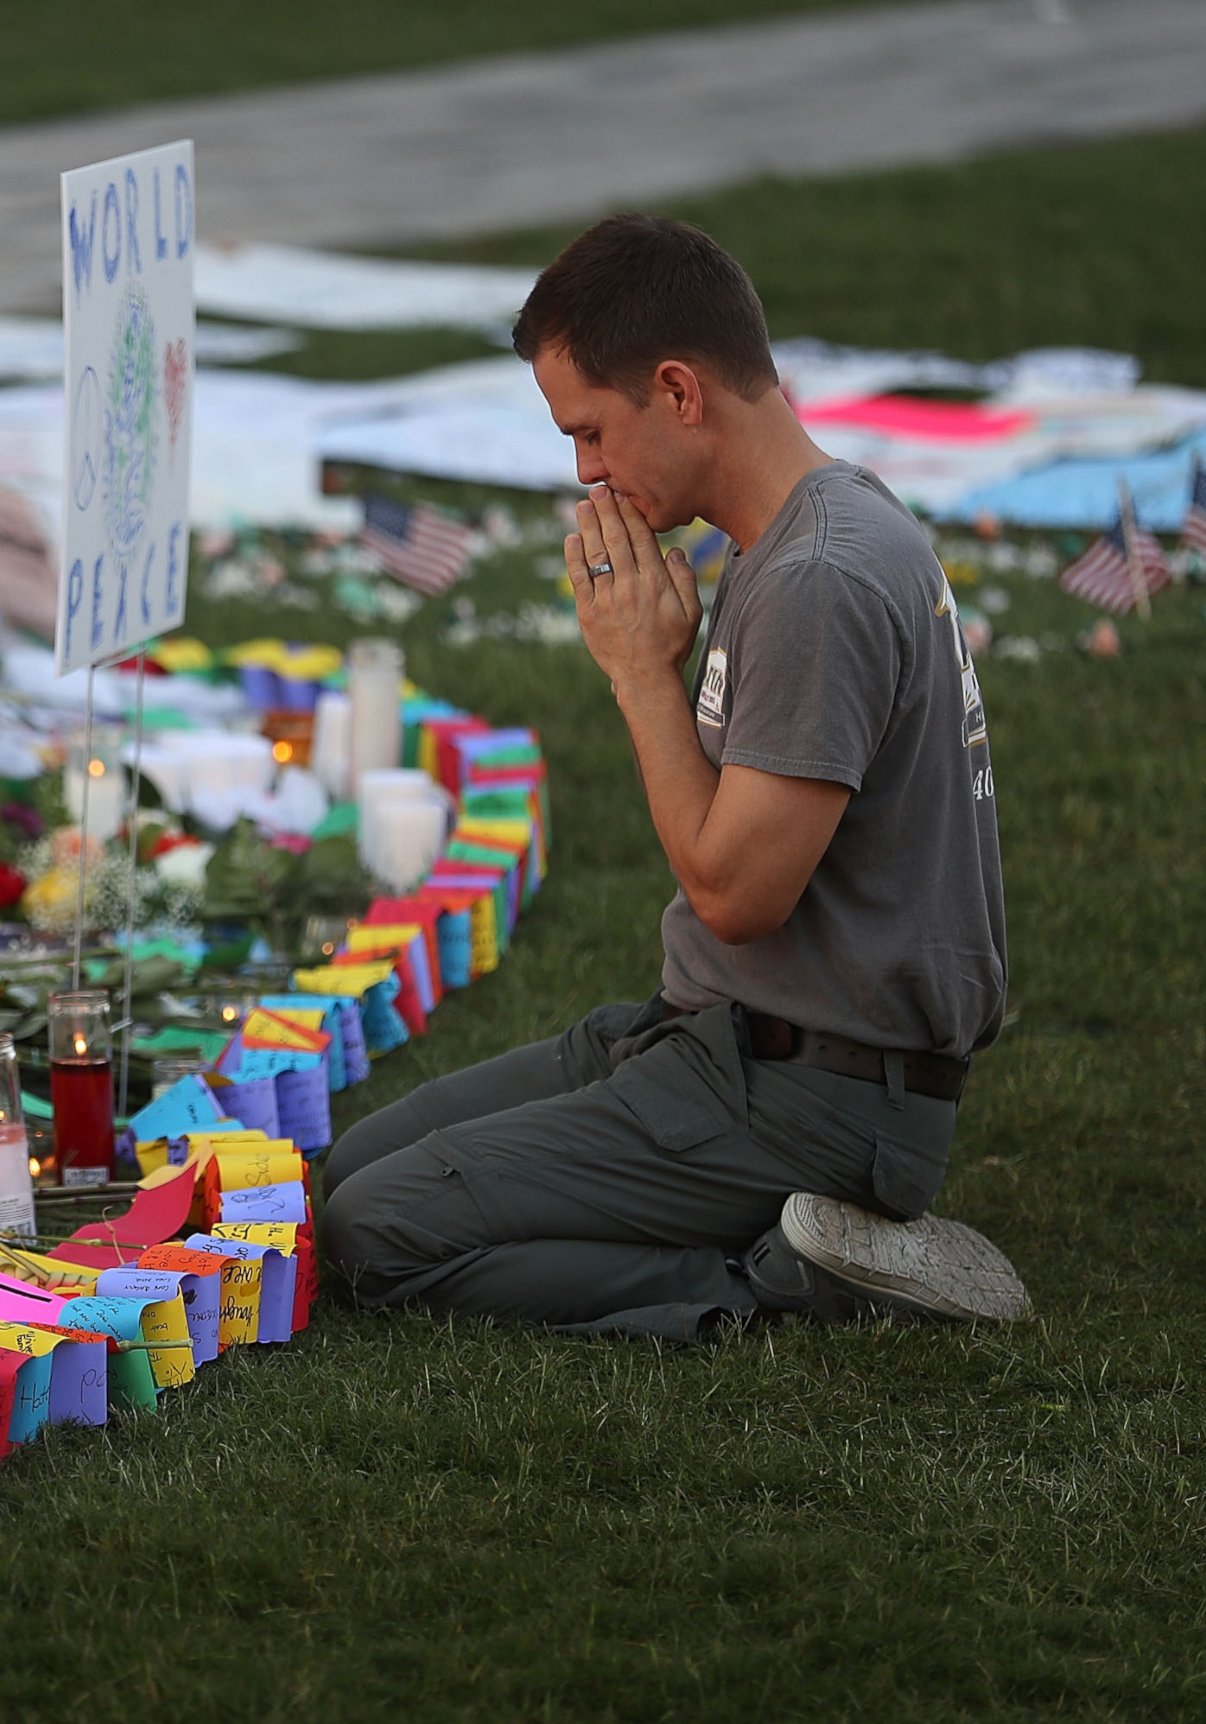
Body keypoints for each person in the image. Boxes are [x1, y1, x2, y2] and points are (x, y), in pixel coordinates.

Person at [317, 215, 1025, 1340]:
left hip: (816, 1097)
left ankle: (784, 1285)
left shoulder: (819, 581)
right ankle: (763, 1230)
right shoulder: (805, 528)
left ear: (681, 392)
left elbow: (737, 899)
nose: (585, 472)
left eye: (592, 432)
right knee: (344, 1174)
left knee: (378, 1228)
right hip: (723, 1037)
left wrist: (643, 674)